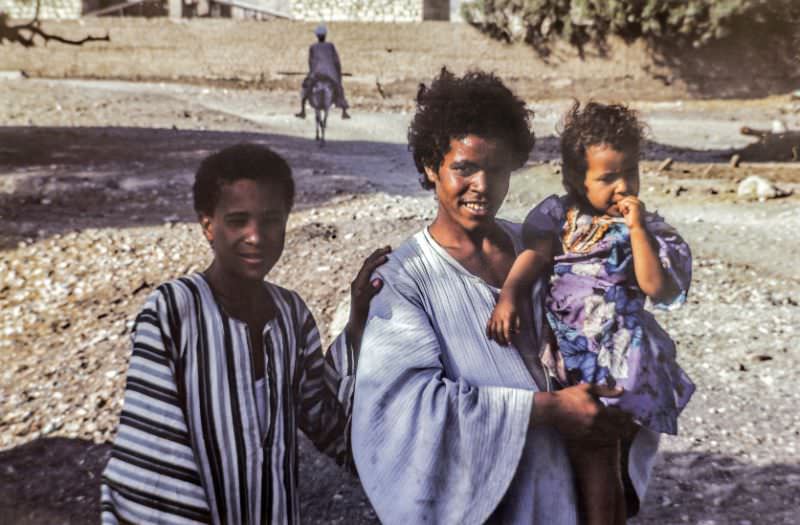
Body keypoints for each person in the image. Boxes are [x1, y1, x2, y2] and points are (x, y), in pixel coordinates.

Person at [351, 68, 660, 525]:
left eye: (497, 169)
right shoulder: (406, 280)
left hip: (567, 497)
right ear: (431, 167)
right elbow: (408, 408)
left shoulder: (546, 249)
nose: (482, 185)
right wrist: (549, 410)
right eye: (464, 168)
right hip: (488, 507)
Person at [100, 143, 388, 524]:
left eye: (270, 220)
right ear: (208, 225)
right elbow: (152, 457)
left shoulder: (291, 314)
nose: (256, 236)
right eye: (238, 221)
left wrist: (357, 321)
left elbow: (324, 419)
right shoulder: (172, 311)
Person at [486, 102, 695, 524]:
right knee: (601, 457)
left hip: (619, 360)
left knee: (598, 452)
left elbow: (654, 286)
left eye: (630, 172)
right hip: (576, 352)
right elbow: (534, 257)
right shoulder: (558, 216)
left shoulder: (646, 229)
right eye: (607, 177)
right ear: (575, 178)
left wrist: (637, 230)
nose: (623, 187)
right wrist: (509, 294)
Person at [295, 24, 351, 120]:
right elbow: (336, 61)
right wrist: (338, 75)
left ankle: (303, 111)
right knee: (339, 88)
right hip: (331, 74)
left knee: (305, 87)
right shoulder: (330, 46)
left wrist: (311, 73)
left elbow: (311, 62)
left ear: (317, 36)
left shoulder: (313, 47)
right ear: (325, 36)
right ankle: (344, 111)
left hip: (317, 73)